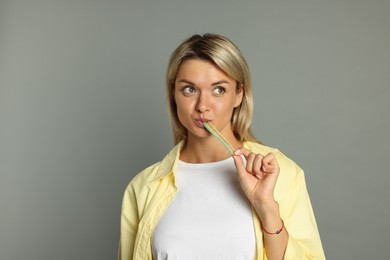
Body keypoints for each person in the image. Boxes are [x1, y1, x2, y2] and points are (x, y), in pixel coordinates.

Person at [118, 33, 325, 260]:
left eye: (218, 90)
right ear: (174, 94)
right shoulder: (143, 186)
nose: (202, 106)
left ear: (239, 95)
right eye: (189, 89)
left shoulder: (279, 172)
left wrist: (266, 206)